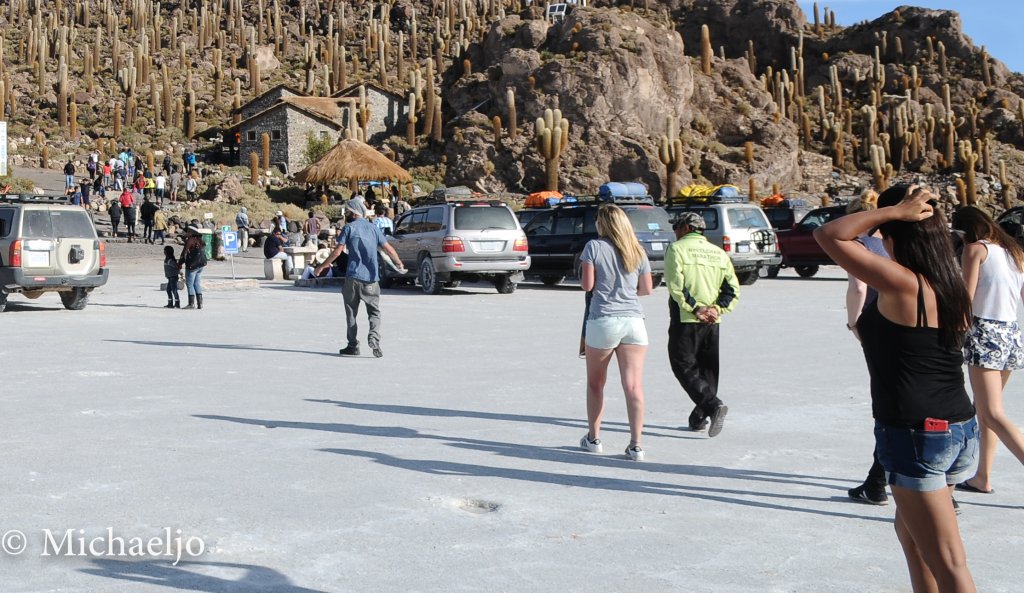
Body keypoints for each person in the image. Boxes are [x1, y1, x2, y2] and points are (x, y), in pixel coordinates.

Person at [815, 185, 978, 593]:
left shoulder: (906, 284)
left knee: (949, 563)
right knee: (914, 543)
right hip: (956, 428)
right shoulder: (949, 284)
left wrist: (894, 211)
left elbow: (830, 234)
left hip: (918, 433)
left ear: (895, 233)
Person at [951, 207, 1024, 495]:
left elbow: (965, 298)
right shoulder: (1013, 252)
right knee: (987, 410)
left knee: (991, 412)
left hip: (985, 331)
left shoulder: (975, 250)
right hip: (1010, 332)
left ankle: (984, 475)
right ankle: (982, 476)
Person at [577, 205, 653, 461]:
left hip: (604, 319)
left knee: (596, 383)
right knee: (633, 386)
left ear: (604, 223)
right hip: (634, 320)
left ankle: (594, 438)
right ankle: (636, 445)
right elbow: (646, 289)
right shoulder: (637, 250)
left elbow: (587, 286)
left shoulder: (594, 247)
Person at [664, 211, 739, 438]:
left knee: (682, 365)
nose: (674, 231)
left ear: (686, 228)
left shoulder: (676, 249)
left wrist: (697, 309)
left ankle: (712, 405)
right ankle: (699, 417)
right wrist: (716, 309)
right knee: (707, 369)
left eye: (676, 226)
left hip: (687, 318)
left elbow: (677, 286)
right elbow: (732, 289)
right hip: (713, 321)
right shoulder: (718, 253)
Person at [841, 190, 892, 506]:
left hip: (876, 324)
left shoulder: (857, 245)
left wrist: (854, 323)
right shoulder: (888, 242)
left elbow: (858, 286)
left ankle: (878, 481)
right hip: (902, 320)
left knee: (886, 402)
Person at [315, 199, 404, 358]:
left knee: (351, 314)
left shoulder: (348, 228)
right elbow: (388, 248)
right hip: (371, 279)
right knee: (374, 313)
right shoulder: (373, 229)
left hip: (353, 278)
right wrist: (398, 262)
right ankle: (374, 338)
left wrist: (322, 266)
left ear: (353, 213)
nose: (345, 215)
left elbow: (337, 252)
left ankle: (353, 345)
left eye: (347, 212)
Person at [179, 225, 208, 310]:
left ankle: (191, 304)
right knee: (197, 283)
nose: (186, 233)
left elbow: (183, 253)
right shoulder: (200, 241)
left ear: (191, 232)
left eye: (188, 231)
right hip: (201, 265)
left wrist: (179, 264)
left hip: (192, 266)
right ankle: (200, 304)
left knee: (190, 284)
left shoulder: (190, 240)